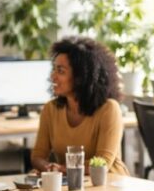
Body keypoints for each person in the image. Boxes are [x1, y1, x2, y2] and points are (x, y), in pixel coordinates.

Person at [30, 36, 129, 175]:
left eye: (60, 71)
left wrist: (62, 169)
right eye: (54, 69)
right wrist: (48, 167)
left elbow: (102, 162)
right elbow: (38, 156)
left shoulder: (109, 109)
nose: (53, 76)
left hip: (110, 187)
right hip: (70, 187)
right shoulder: (50, 109)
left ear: (81, 77)